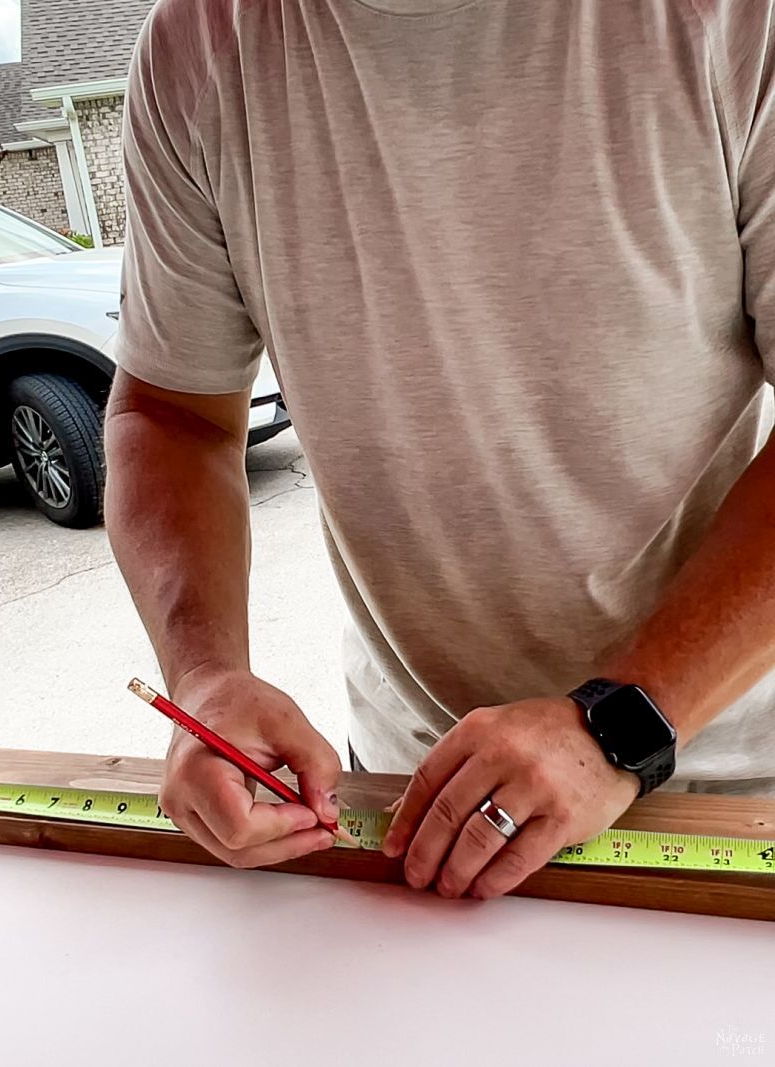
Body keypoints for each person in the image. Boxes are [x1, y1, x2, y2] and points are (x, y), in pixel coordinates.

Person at [106, 0, 775, 900]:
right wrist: (206, 673)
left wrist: (619, 725)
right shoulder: (202, 46)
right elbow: (169, 415)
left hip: (731, 777)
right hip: (418, 789)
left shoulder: (730, 19)